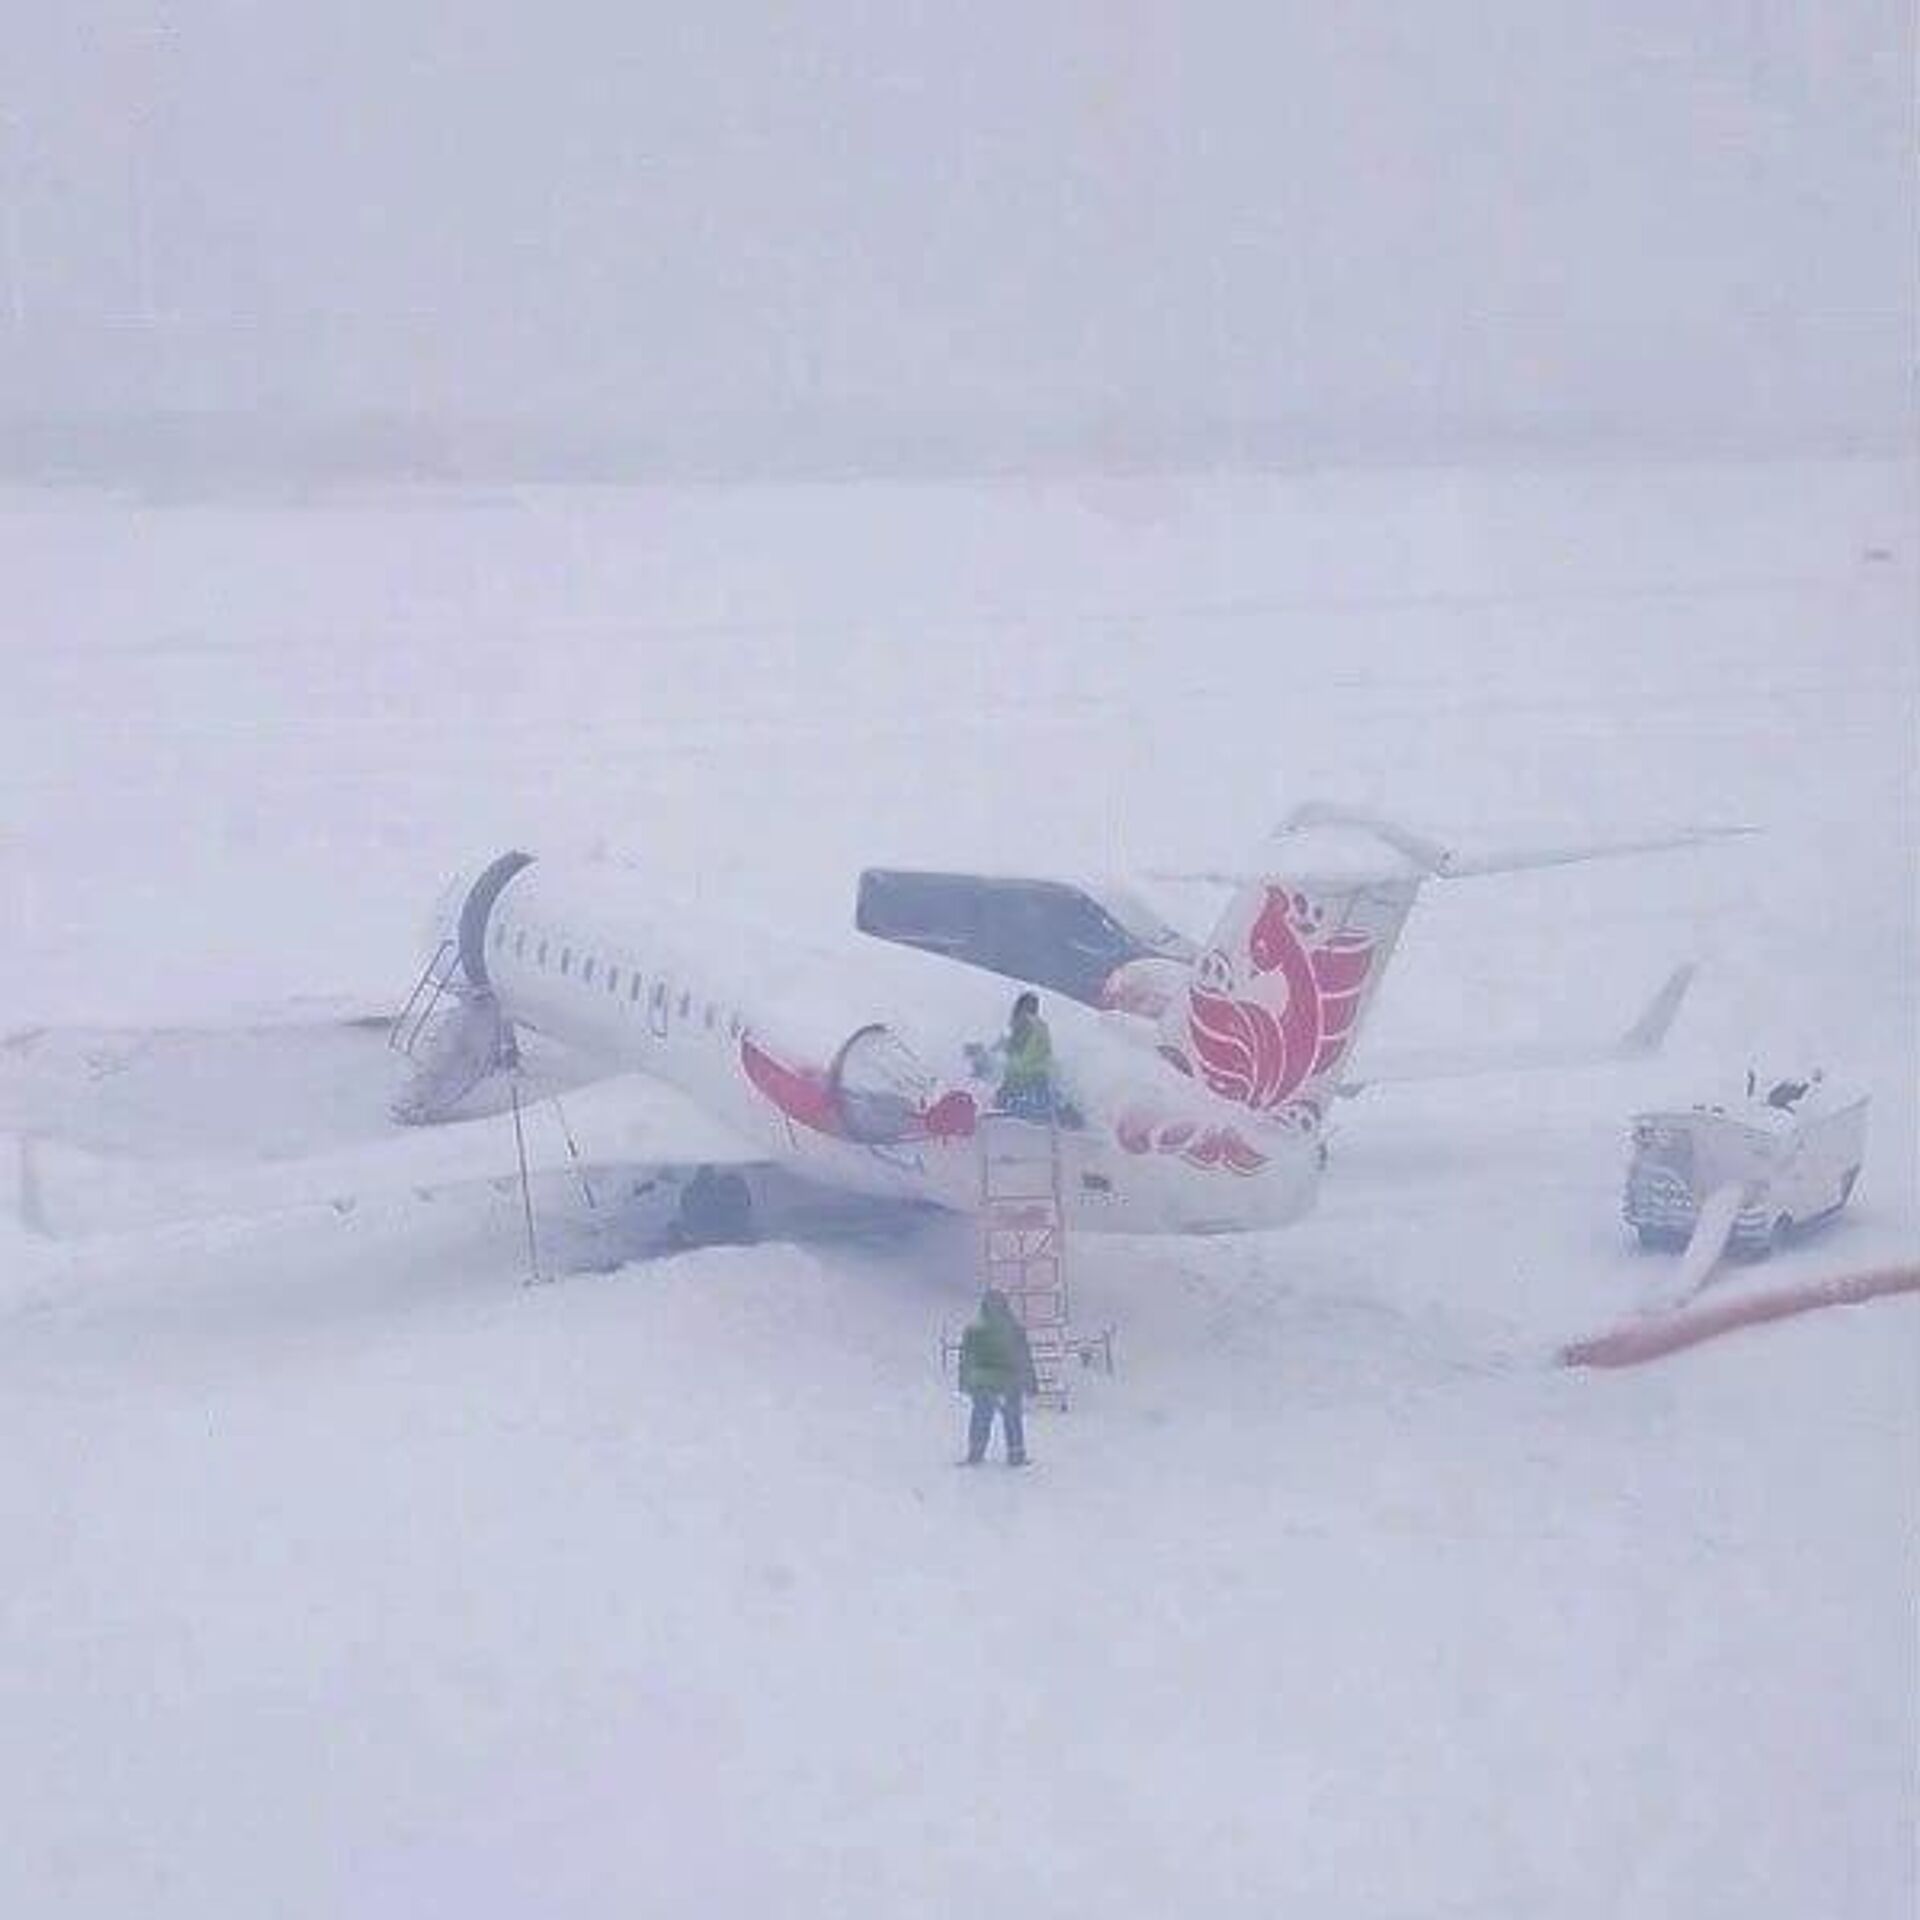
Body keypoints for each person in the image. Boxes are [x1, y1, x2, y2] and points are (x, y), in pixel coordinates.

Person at [958, 1288, 1039, 1466]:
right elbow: (1023, 1357)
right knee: (1012, 1419)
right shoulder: (1014, 1329)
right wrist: (1031, 1382)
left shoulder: (974, 1330)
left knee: (980, 1418)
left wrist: (964, 1382)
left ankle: (975, 1453)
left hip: (983, 1382)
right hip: (1009, 1381)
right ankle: (1016, 1454)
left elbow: (966, 1358)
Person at [993, 990, 1055, 1122]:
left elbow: (1013, 1051)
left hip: (1022, 1080)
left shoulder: (1022, 1024)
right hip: (1039, 1080)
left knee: (1003, 1110)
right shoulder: (1041, 1026)